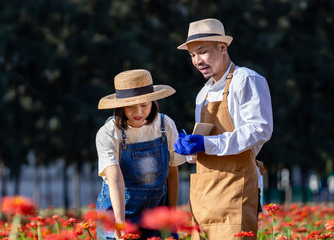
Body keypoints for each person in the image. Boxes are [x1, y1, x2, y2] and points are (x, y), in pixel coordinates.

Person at [174, 18, 273, 239]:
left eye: (202, 52)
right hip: (205, 193)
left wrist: (206, 143)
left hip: (236, 188)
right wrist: (190, 150)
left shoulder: (246, 80)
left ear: (222, 47)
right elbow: (207, 143)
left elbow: (260, 129)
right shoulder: (203, 93)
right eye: (192, 56)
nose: (197, 61)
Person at [96, 69, 186, 240]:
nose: (138, 112)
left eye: (145, 105)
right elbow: (115, 179)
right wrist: (120, 222)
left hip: (154, 212)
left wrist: (171, 215)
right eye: (130, 107)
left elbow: (172, 173)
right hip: (118, 210)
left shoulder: (165, 125)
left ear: (153, 101)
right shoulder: (108, 133)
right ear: (120, 106)